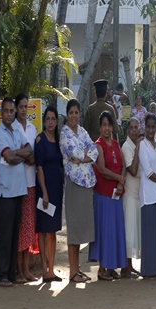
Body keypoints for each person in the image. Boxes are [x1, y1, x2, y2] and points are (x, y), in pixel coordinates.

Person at [0, 97, 32, 287]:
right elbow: (8, 157)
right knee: (4, 236)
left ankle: (10, 274)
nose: (9, 114)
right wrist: (19, 155)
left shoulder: (17, 130)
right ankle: (1, 275)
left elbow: (29, 149)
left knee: (14, 235)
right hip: (5, 192)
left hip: (18, 191)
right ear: (1, 113)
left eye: (11, 111)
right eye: (6, 111)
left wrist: (15, 154)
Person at [60, 99, 98, 284]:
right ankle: (72, 271)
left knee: (81, 227)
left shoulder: (82, 131)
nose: (74, 115)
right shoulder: (64, 134)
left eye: (76, 112)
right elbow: (75, 151)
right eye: (71, 112)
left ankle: (77, 269)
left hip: (86, 184)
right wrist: (84, 155)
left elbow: (94, 150)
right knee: (74, 228)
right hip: (74, 183)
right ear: (67, 115)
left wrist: (83, 159)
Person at [89, 111, 127, 280]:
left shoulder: (116, 143)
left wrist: (120, 183)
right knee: (104, 230)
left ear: (112, 127)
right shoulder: (98, 145)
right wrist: (119, 178)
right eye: (103, 125)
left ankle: (112, 267)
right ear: (100, 127)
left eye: (109, 125)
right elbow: (102, 170)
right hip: (103, 195)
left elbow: (124, 165)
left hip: (117, 194)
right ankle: (101, 268)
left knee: (115, 231)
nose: (106, 128)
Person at [34, 105, 64, 283]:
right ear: (44, 121)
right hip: (45, 191)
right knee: (43, 231)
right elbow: (39, 168)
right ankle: (44, 271)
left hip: (57, 191)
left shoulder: (58, 140)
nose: (51, 122)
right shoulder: (40, 140)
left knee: (53, 231)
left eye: (53, 119)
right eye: (48, 119)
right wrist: (44, 193)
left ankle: (52, 270)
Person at [13, 93, 38, 283]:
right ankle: (19, 270)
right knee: (19, 228)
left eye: (25, 106)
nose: (23, 110)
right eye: (20, 106)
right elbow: (11, 155)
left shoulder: (32, 128)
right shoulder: (10, 128)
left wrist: (26, 156)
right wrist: (25, 155)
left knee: (29, 229)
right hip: (15, 184)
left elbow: (33, 157)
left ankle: (26, 268)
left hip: (30, 183)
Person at [138, 114, 156, 279]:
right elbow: (148, 172)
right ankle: (148, 270)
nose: (150, 130)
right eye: (148, 127)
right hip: (148, 195)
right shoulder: (142, 145)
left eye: (153, 127)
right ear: (145, 127)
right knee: (149, 235)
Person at [121, 118, 141, 278]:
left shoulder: (136, 145)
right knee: (129, 232)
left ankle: (131, 266)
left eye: (136, 127)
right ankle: (125, 268)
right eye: (131, 128)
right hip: (129, 194)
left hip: (138, 194)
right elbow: (133, 171)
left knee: (134, 231)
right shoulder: (127, 147)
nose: (134, 130)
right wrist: (138, 149)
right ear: (128, 131)